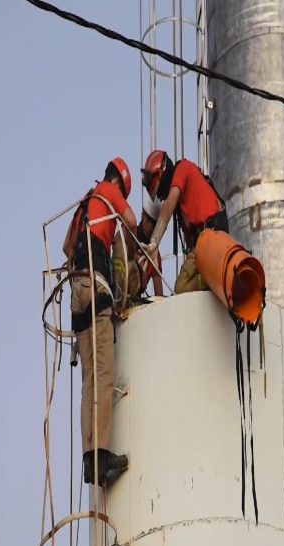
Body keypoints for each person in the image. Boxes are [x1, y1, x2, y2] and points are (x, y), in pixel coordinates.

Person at [63, 157, 136, 485]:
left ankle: (89, 461)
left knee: (89, 380)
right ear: (119, 182)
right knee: (105, 374)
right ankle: (103, 457)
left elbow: (66, 247)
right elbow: (133, 222)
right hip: (96, 286)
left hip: (77, 292)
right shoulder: (110, 192)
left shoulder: (85, 203)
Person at [140, 150, 228, 294]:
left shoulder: (183, 169)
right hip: (204, 243)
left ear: (161, 173)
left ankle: (214, 276)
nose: (161, 198)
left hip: (212, 236)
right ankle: (212, 276)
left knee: (181, 289)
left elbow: (168, 205)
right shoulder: (182, 209)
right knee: (183, 289)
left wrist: (154, 242)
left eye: (160, 193)